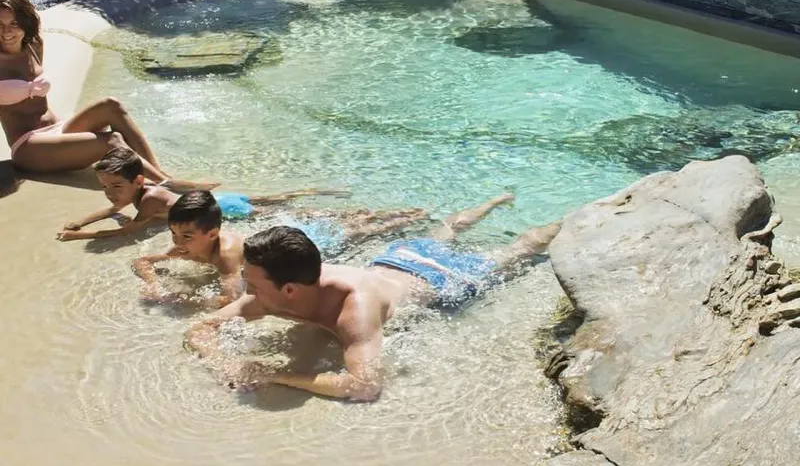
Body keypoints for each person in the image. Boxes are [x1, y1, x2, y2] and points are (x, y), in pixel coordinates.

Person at [184, 194, 560, 402]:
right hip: (393, 259)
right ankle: (493, 202)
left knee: (518, 251)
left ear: (289, 289)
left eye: (252, 283)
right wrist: (223, 364)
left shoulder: (353, 311)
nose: (246, 291)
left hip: (440, 279)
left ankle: (566, 224)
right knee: (447, 229)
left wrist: (275, 374)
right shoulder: (274, 292)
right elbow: (199, 330)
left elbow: (364, 385)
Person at [0, 0, 206, 186]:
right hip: (28, 147)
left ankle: (159, 173)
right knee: (112, 141)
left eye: (14, 23)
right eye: (0, 24)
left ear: (26, 23)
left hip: (58, 130)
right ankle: (164, 183)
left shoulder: (34, 45)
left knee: (111, 105)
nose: (7, 31)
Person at [133, 189, 431, 307]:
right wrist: (152, 283)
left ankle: (412, 216)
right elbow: (142, 261)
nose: (177, 242)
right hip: (279, 236)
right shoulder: (187, 247)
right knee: (354, 225)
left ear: (212, 234)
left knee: (358, 232)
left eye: (186, 236)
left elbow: (229, 299)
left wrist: (177, 299)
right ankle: (393, 215)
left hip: (303, 246)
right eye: (174, 234)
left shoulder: (225, 258)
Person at [56, 147, 353, 242]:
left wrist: (79, 237)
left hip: (225, 210)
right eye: (105, 187)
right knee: (278, 199)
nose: (110, 194)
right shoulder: (145, 191)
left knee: (284, 213)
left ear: (138, 181)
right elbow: (113, 211)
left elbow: (128, 230)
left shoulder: (148, 200)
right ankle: (324, 191)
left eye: (116, 187)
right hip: (221, 200)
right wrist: (81, 221)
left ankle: (340, 214)